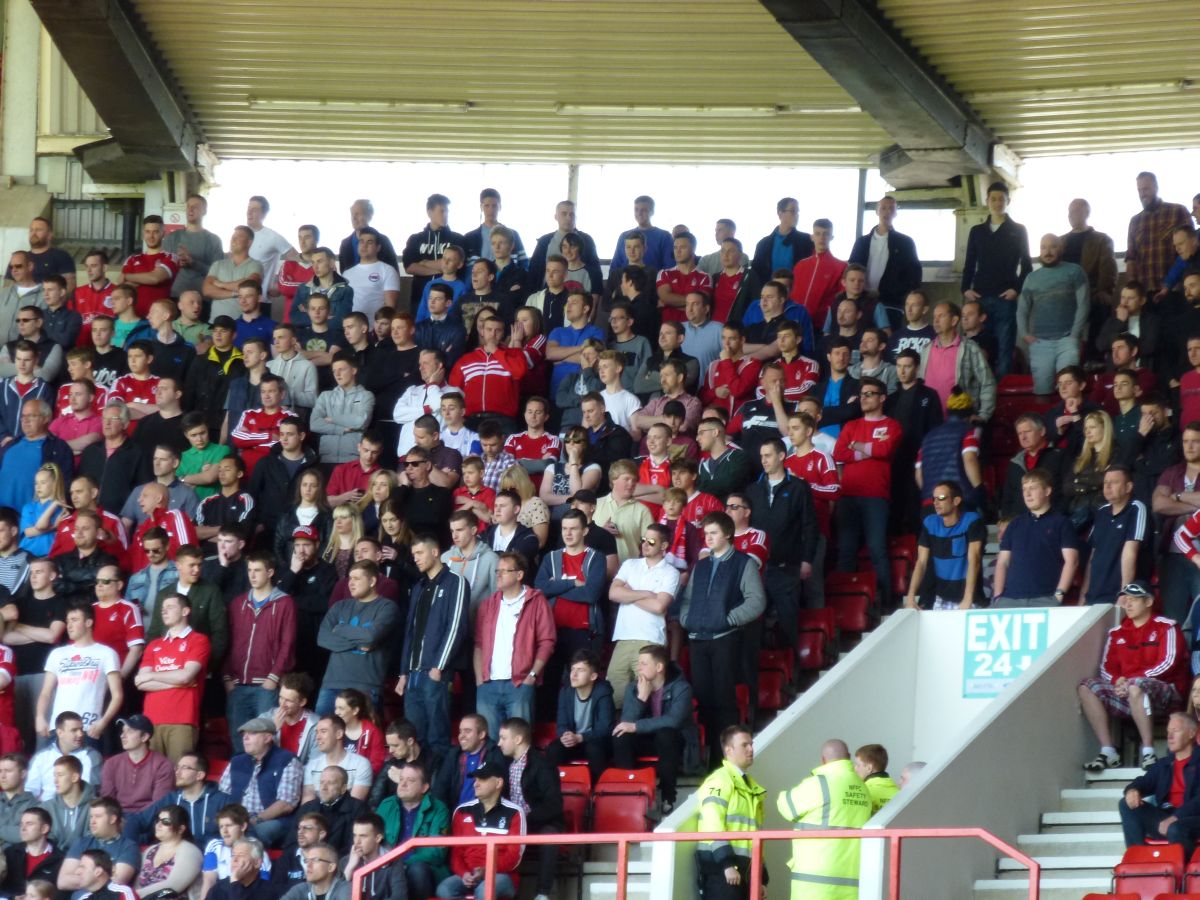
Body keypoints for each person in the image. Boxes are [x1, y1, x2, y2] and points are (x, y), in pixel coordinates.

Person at [679, 512, 765, 768]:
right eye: (706, 533)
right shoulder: (701, 565)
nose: (708, 537)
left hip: (725, 640)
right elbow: (687, 600)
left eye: (713, 533)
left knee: (725, 700)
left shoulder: (743, 563)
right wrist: (687, 620)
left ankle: (724, 760)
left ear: (727, 534)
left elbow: (756, 601)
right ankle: (710, 757)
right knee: (704, 700)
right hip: (698, 639)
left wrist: (729, 619)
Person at [1080, 581, 1189, 772]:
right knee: (1086, 687)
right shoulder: (1117, 633)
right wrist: (1116, 681)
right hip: (1128, 693)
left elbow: (1168, 662)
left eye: (1134, 600)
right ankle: (1108, 750)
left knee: (1136, 686)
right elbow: (1106, 667)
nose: (1127, 605)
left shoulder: (1166, 626)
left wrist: (1130, 680)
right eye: (1126, 600)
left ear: (1148, 602)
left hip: (1166, 694)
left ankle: (1148, 751)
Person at [833, 376, 901, 607]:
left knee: (877, 549)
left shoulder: (891, 425)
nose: (863, 398)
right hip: (848, 496)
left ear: (882, 398)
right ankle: (845, 606)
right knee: (846, 550)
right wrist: (866, 451)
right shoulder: (851, 425)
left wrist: (857, 447)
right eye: (862, 394)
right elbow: (839, 454)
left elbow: (885, 449)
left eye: (869, 394)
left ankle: (887, 605)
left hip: (876, 497)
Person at [397, 532, 468, 752]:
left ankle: (438, 785)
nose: (415, 558)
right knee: (415, 740)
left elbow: (456, 626)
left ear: (435, 552)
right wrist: (403, 673)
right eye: (413, 554)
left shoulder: (456, 581)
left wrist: (439, 666)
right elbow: (410, 630)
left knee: (437, 737)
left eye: (420, 553)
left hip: (435, 670)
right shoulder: (418, 586)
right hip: (413, 673)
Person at [473, 552, 555, 741]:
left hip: (519, 684)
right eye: (497, 571)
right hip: (488, 685)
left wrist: (532, 676)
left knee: (520, 743)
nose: (498, 575)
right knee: (491, 747)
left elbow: (547, 642)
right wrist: (480, 679)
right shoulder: (487, 605)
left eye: (504, 571)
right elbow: (478, 644)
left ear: (519, 575)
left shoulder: (536, 601)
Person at [776, 738, 872, 899]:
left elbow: (786, 808)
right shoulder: (864, 788)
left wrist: (782, 795)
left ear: (823, 760)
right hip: (852, 882)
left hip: (815, 884)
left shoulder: (819, 784)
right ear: (848, 756)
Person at [961, 182, 1033, 378]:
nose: (997, 202)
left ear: (1008, 201)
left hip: (1005, 299)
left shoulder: (1018, 230)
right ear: (987, 201)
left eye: (1001, 199)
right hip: (979, 298)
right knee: (978, 349)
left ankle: (1002, 398)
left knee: (1004, 351)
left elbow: (1027, 266)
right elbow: (969, 263)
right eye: (993, 198)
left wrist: (1016, 290)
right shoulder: (977, 231)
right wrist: (965, 288)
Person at [224, 552, 296, 740]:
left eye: (257, 570)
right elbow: (226, 641)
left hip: (266, 685)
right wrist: (226, 677)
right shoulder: (238, 603)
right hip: (237, 684)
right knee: (239, 741)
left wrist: (273, 677)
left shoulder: (284, 603)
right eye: (249, 570)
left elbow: (287, 644)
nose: (252, 575)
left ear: (270, 572)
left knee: (267, 739)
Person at [613, 644, 692, 814]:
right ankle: (628, 792)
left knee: (666, 735)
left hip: (674, 740)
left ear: (659, 667)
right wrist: (641, 698)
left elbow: (674, 720)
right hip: (646, 738)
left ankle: (668, 797)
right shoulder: (634, 688)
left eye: (643, 663)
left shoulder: (681, 687)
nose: (638, 667)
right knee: (621, 736)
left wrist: (637, 726)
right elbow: (627, 722)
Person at [695, 725, 766, 900]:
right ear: (729, 750)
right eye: (744, 745)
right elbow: (713, 824)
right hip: (722, 872)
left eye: (751, 744)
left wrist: (761, 877)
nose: (751, 749)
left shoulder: (750, 786)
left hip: (745, 872)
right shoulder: (719, 781)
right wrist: (727, 864)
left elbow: (755, 834)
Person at [37, 601, 122, 745]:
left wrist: (103, 722)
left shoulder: (106, 653)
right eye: (67, 621)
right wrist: (39, 717)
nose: (69, 625)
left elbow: (117, 694)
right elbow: (46, 692)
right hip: (58, 728)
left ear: (88, 622)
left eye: (74, 620)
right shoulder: (57, 654)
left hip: (87, 728)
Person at [437, 760, 524, 900]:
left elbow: (514, 857)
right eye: (476, 779)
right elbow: (456, 853)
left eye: (482, 779)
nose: (475, 784)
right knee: (444, 889)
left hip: (502, 875)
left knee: (484, 891)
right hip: (469, 874)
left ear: (498, 783)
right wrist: (464, 873)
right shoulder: (462, 811)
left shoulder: (514, 812)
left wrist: (487, 870)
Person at [993, 469, 1079, 608]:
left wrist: (1059, 594)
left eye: (1033, 488)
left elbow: (1072, 561)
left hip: (1045, 599)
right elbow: (1002, 562)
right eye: (1024, 489)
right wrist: (998, 596)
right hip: (1009, 599)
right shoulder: (1015, 524)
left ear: (1047, 491)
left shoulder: (1061, 523)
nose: (1027, 494)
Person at [1017, 234, 1090, 394]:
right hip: (1040, 343)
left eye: (1052, 246)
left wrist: (1074, 335)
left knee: (1070, 390)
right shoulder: (1032, 278)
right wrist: (1024, 334)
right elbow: (1022, 308)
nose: (1047, 251)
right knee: (1042, 391)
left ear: (1061, 248)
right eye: (1043, 247)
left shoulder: (1075, 271)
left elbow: (1084, 304)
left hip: (1067, 340)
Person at [217, 717, 303, 849]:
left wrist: (256, 820)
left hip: (272, 820)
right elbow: (222, 796)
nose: (245, 738)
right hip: (236, 819)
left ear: (267, 738)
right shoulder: (236, 762)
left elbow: (286, 804)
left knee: (254, 833)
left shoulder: (287, 760)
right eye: (244, 735)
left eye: (252, 733)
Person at [1118, 712, 1200, 849]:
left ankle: (1180, 869)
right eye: (1168, 731)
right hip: (1167, 818)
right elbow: (1143, 781)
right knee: (1126, 804)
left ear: (1191, 734)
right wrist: (1132, 790)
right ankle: (1138, 859)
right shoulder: (1164, 764)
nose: (1169, 736)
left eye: (1176, 731)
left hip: (1193, 818)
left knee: (1175, 828)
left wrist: (1176, 817)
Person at [904, 481, 985, 610]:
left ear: (956, 500)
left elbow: (974, 560)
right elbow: (921, 562)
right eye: (934, 498)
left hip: (968, 599)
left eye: (941, 498)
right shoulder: (930, 522)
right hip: (941, 598)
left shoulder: (972, 520)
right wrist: (910, 597)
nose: (936, 502)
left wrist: (968, 599)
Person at [375, 761, 450, 899]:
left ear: (424, 787)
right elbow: (373, 839)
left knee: (417, 869)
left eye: (410, 780)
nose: (403, 784)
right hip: (389, 868)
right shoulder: (386, 805)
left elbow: (437, 852)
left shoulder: (439, 809)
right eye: (401, 779)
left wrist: (403, 864)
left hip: (424, 871)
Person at [124, 751, 232, 848]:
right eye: (177, 767)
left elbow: (234, 833)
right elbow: (137, 821)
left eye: (184, 768)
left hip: (211, 860)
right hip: (175, 858)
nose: (177, 772)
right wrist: (129, 850)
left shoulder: (222, 801)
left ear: (199, 775)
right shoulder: (171, 798)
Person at [1082, 466, 1149, 605]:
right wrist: (1083, 593)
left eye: (1114, 482)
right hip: (1094, 595)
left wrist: (1125, 592)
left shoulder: (1136, 508)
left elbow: (1130, 552)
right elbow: (1093, 556)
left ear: (1128, 487)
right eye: (1105, 482)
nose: (1108, 486)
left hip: (1119, 595)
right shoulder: (1101, 512)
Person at [544, 649, 613, 782]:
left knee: (594, 749)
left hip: (595, 742)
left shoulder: (603, 692)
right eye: (572, 669)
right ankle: (556, 790)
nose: (573, 675)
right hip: (574, 741)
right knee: (554, 749)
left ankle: (597, 793)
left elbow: (605, 729)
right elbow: (561, 724)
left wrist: (580, 737)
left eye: (580, 670)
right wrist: (565, 735)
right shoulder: (566, 691)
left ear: (593, 676)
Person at [848, 196, 923, 315]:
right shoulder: (861, 242)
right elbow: (851, 269)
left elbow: (914, 276)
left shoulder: (905, 243)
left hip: (891, 303)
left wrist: (898, 294)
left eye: (891, 209)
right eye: (883, 208)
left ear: (896, 213)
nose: (887, 212)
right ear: (877, 211)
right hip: (861, 301)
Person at [1126, 172, 1192, 294]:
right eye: (1139, 190)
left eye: (1146, 189)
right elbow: (1131, 258)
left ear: (1156, 188)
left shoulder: (1178, 212)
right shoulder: (1135, 221)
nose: (1142, 194)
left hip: (1177, 289)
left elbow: (1191, 251)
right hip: (1145, 293)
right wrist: (1132, 290)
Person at [59, 799, 142, 892]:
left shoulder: (128, 847)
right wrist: (98, 878)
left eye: (97, 816)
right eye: (91, 817)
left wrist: (82, 878)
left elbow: (117, 882)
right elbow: (62, 881)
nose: (92, 821)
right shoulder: (81, 842)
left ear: (112, 819)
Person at [100, 715, 174, 815]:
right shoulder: (111, 763)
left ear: (144, 737)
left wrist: (136, 820)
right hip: (117, 818)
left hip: (148, 819)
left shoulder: (162, 764)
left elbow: (159, 803)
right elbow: (108, 800)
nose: (122, 735)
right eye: (123, 731)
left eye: (129, 731)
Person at [27, 711, 102, 801]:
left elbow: (89, 792)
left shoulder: (91, 756)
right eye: (74, 730)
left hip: (78, 810)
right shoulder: (41, 757)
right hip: (44, 811)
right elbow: (29, 792)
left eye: (81, 729)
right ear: (60, 733)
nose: (80, 734)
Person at [135, 803, 203, 897]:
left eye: (165, 822)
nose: (158, 825)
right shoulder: (150, 851)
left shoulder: (191, 852)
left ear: (181, 829)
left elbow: (172, 887)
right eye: (158, 820)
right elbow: (137, 884)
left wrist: (135, 896)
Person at [1, 807, 64, 898]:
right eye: (21, 824)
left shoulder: (60, 859)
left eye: (29, 824)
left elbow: (62, 894)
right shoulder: (10, 854)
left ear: (44, 828)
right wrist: (12, 898)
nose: (23, 828)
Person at [751, 197, 813, 283]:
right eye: (792, 211)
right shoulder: (763, 244)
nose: (796, 215)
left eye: (797, 212)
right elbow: (756, 274)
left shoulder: (807, 241)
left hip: (798, 292)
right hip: (770, 293)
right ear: (780, 214)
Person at [206, 837, 276, 900]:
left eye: (241, 855)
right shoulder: (219, 888)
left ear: (257, 863)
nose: (234, 860)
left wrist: (235, 882)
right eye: (233, 855)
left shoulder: (269, 891)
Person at [282, 841, 349, 900]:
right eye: (306, 861)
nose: (308, 865)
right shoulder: (300, 889)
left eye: (315, 860)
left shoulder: (344, 889)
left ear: (331, 867)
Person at [64, 848, 137, 900]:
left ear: (98, 871)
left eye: (82, 867)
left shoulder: (122, 892)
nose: (77, 872)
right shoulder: (83, 898)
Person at [854, 744, 899, 814]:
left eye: (857, 765)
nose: (855, 769)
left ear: (869, 768)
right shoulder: (899, 793)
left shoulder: (861, 792)